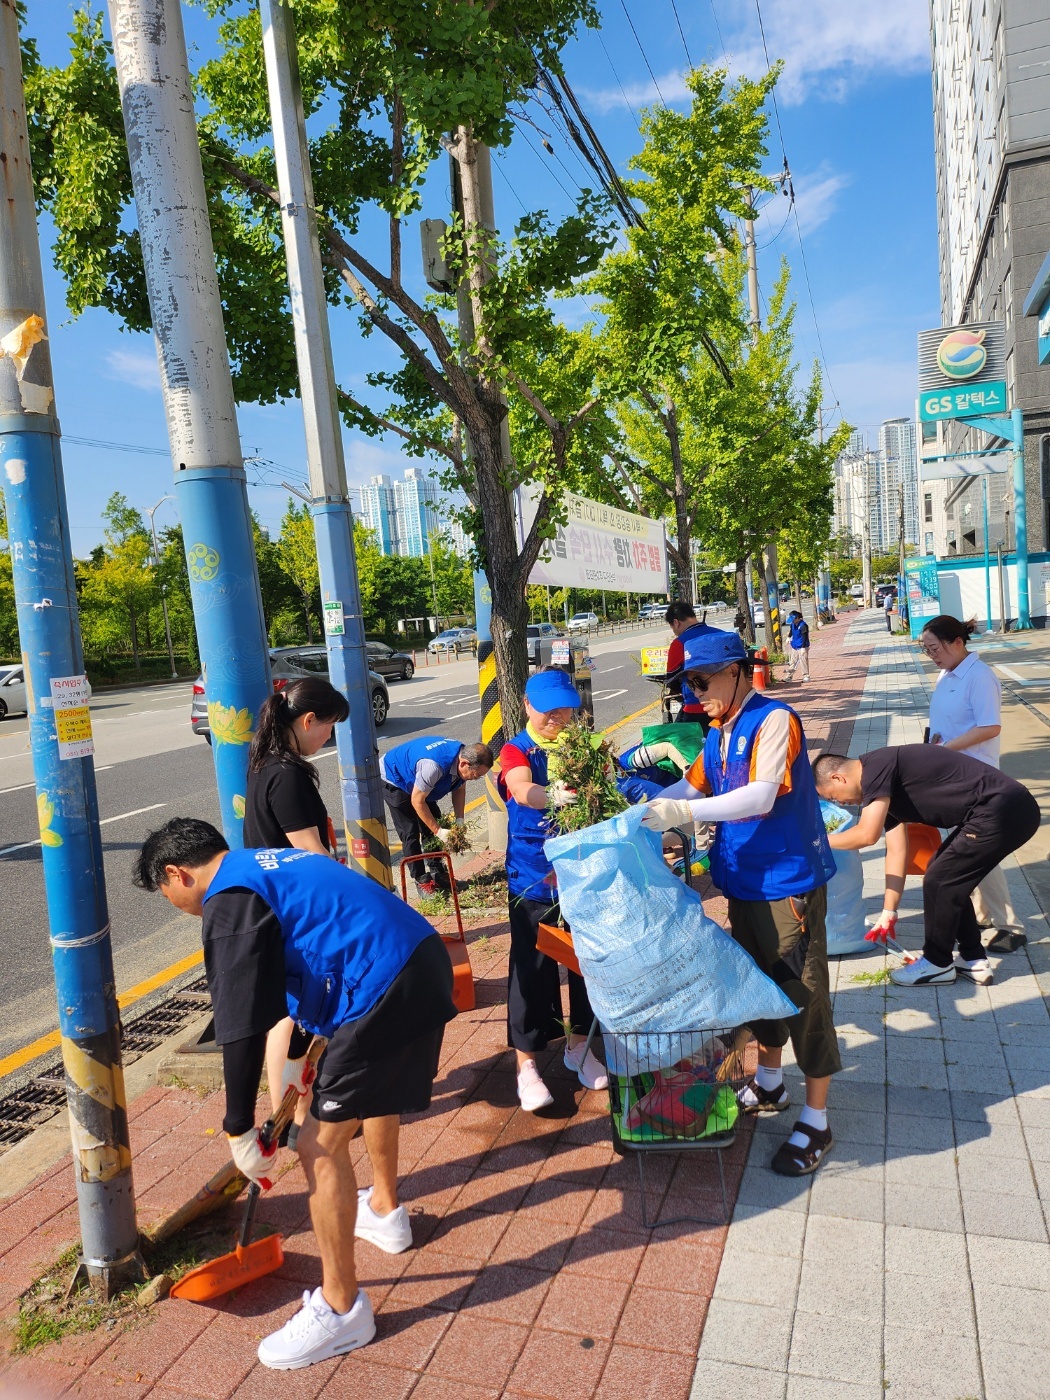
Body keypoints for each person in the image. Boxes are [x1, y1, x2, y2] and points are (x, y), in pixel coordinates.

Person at [133, 819, 457, 1370]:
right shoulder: (267, 864)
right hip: (419, 959)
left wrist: (239, 1127)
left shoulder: (228, 901)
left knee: (317, 1147)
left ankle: (342, 1310)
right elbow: (316, 949)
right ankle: (384, 1212)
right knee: (371, 1096)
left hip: (381, 985)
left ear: (176, 873)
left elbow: (239, 1024)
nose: (177, 906)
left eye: (166, 895)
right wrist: (307, 1055)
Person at [640, 630, 840, 1177]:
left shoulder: (774, 720)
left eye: (701, 681)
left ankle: (818, 1120)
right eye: (687, 684)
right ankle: (770, 1083)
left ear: (735, 671)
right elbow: (692, 788)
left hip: (784, 883)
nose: (694, 693)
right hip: (744, 882)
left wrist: (683, 814)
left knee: (802, 993)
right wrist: (639, 813)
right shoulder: (718, 731)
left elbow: (761, 794)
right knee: (758, 985)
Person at [813, 746, 1040, 987]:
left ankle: (937, 963)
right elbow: (897, 852)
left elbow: (867, 835)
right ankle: (973, 959)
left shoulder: (876, 768)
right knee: (944, 876)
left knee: (940, 879)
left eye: (832, 796)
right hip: (1004, 811)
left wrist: (814, 843)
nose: (840, 803)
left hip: (1003, 809)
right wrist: (889, 911)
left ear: (838, 778)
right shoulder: (882, 788)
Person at [498, 668, 609, 1110]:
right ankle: (526, 1064)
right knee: (532, 969)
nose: (557, 718)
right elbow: (520, 787)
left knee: (585, 964)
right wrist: (553, 796)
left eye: (565, 710)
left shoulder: (583, 747)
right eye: (549, 710)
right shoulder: (516, 749)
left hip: (582, 875)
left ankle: (579, 1047)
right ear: (526, 705)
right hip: (534, 876)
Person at [244, 678, 348, 1138]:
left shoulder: (265, 764)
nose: (328, 737)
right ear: (308, 721)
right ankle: (296, 1120)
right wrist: (352, 899)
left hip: (278, 904)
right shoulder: (287, 774)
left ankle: (289, 1115)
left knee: (290, 1014)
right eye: (329, 727)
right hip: (297, 910)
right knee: (295, 1015)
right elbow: (311, 853)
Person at [922, 614, 1023, 951]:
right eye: (926, 650)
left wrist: (946, 749)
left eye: (935, 648)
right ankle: (982, 913)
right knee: (964, 848)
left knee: (976, 851)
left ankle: (1010, 926)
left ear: (957, 642)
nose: (932, 655)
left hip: (976, 778)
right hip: (950, 774)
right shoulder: (946, 674)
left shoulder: (980, 677)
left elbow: (990, 727)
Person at [380, 738, 494, 894]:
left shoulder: (463, 756)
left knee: (433, 820)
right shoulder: (433, 766)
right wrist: (439, 832)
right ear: (464, 764)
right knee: (410, 831)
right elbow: (417, 801)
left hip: (420, 778)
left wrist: (459, 820)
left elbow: (459, 789)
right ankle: (421, 880)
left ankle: (438, 873)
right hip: (395, 777)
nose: (475, 779)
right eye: (475, 775)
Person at [664, 601, 717, 728]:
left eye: (672, 628)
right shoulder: (720, 634)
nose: (675, 632)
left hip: (696, 708)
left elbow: (672, 679)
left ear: (676, 622)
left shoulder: (680, 643)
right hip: (726, 704)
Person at [785, 610, 811, 682]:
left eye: (793, 619)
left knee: (803, 661)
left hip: (802, 645)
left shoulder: (803, 625)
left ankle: (806, 676)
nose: (792, 621)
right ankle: (789, 677)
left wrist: (803, 648)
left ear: (797, 618)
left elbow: (805, 637)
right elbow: (791, 631)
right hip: (795, 645)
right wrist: (788, 637)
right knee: (793, 661)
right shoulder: (793, 624)